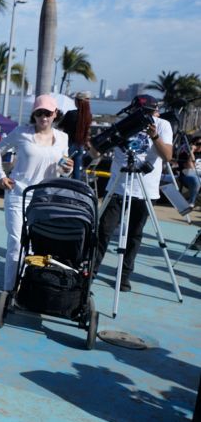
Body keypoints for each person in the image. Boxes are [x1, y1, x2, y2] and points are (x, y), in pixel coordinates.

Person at [0, 95, 73, 291]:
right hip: (18, 195)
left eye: (48, 113)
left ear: (55, 115)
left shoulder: (63, 138)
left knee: (37, 247)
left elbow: (62, 170)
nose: (43, 117)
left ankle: (29, 286)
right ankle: (10, 291)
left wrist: (67, 169)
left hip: (45, 200)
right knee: (16, 245)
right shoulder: (21, 133)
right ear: (34, 115)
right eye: (39, 113)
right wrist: (1, 176)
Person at [92, 94, 173, 291]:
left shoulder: (163, 126)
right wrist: (106, 140)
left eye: (150, 112)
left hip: (145, 189)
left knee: (134, 234)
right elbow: (95, 151)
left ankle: (124, 276)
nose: (147, 116)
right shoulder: (124, 124)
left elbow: (167, 156)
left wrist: (154, 136)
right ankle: (91, 271)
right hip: (118, 186)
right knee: (103, 231)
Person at [57, 91, 93, 173]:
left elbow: (60, 127)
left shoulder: (71, 114)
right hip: (80, 145)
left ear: (78, 101)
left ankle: (62, 184)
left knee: (63, 170)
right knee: (76, 170)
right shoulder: (89, 116)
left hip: (68, 145)